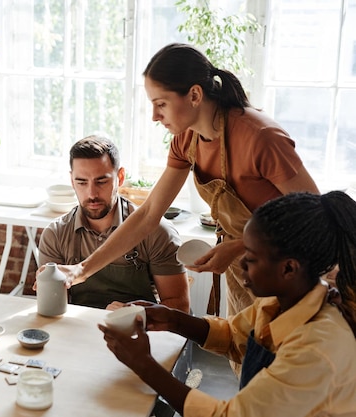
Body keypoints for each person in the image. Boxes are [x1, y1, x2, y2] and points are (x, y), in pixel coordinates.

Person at [50, 43, 319, 319]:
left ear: (194, 95)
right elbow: (148, 215)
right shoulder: (185, 139)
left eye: (161, 104)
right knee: (246, 355)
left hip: (289, 272)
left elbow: (315, 215)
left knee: (285, 357)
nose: (155, 116)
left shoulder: (260, 137)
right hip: (246, 270)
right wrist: (81, 270)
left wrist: (241, 245)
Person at [99, 191, 356, 416]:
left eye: (251, 258)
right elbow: (235, 336)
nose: (241, 264)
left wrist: (144, 364)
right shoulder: (280, 303)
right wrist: (173, 319)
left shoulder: (317, 347)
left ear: (289, 268)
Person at [38, 135, 190, 312]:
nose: (91, 193)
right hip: (81, 331)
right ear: (72, 180)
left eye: (101, 181)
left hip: (142, 332)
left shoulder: (157, 232)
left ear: (120, 177)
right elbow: (53, 310)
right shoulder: (56, 234)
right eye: (81, 182)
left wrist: (134, 313)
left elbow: (180, 308)